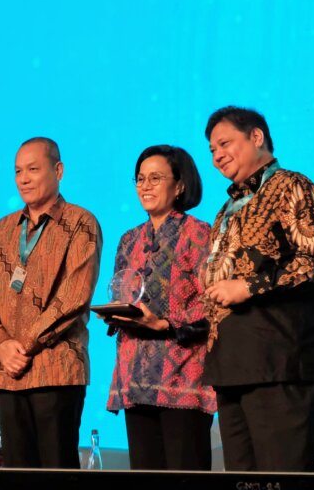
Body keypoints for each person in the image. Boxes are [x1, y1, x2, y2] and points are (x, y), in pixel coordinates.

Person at [201, 106, 314, 472]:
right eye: (212, 150)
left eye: (224, 143)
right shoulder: (227, 208)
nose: (217, 156)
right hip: (232, 368)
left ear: (256, 137)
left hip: (281, 364)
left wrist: (248, 286)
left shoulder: (292, 186)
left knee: (284, 477)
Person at [0, 137, 102, 469]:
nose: (24, 178)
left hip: (56, 367)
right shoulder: (3, 228)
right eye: (18, 171)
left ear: (58, 171)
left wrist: (25, 345)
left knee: (56, 468)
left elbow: (74, 297)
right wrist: (1, 345)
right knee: (16, 469)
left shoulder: (80, 223)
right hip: (8, 371)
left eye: (33, 169)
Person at [98, 145, 216, 470]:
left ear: (179, 186)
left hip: (183, 377)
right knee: (145, 479)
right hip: (135, 376)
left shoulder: (199, 234)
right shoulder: (129, 239)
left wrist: (165, 325)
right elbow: (123, 293)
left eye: (155, 178)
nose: (145, 186)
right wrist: (119, 313)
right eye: (140, 179)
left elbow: (215, 308)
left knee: (184, 478)